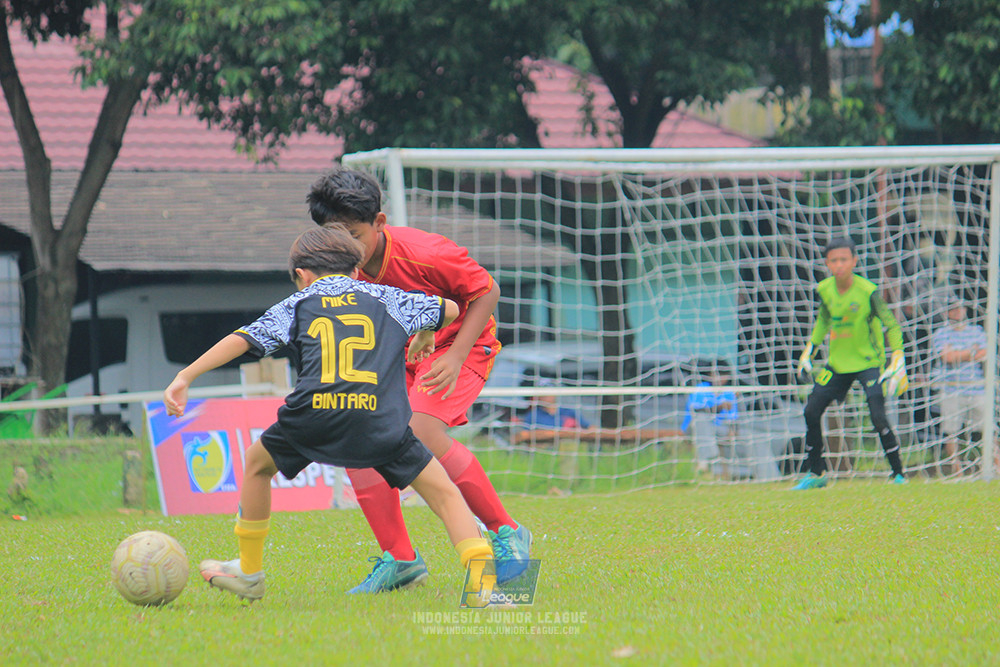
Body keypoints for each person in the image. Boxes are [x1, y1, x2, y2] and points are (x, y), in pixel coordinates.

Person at [162, 226, 494, 601]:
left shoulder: (298, 304)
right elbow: (450, 307)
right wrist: (426, 332)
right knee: (446, 496)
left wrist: (186, 375)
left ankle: (250, 572)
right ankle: (484, 588)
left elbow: (243, 339)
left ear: (302, 276)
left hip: (312, 418)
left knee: (257, 463)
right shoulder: (387, 297)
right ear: (355, 270)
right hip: (380, 421)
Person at [307, 166, 531, 591]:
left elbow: (487, 291)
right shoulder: (331, 269)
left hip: (460, 345)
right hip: (404, 352)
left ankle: (505, 532)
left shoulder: (425, 252)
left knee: (421, 431)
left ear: (379, 223)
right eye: (335, 239)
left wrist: (457, 352)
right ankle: (400, 558)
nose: (346, 249)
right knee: (358, 433)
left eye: (354, 236)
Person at [794, 236, 909, 489]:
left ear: (854, 261)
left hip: (868, 362)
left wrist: (898, 355)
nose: (839, 265)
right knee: (811, 411)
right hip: (836, 365)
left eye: (844, 259)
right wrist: (809, 352)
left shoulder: (868, 291)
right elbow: (823, 320)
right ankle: (817, 474)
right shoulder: (824, 289)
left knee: (877, 416)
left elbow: (891, 324)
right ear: (827, 263)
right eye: (834, 260)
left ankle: (898, 473)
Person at [931, 296, 989, 475]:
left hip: (976, 387)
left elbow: (984, 353)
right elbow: (947, 357)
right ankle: (957, 470)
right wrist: (971, 350)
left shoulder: (977, 330)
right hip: (951, 388)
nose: (958, 311)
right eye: (953, 309)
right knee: (951, 431)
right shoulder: (941, 333)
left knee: (988, 428)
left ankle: (994, 465)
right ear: (948, 312)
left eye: (960, 307)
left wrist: (959, 353)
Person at [680, 361, 740, 478]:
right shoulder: (701, 388)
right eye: (717, 374)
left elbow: (734, 418)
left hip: (717, 430)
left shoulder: (729, 392)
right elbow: (697, 411)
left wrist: (733, 430)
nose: (720, 378)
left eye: (724, 374)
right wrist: (720, 407)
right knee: (701, 420)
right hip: (692, 429)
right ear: (710, 375)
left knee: (750, 436)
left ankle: (771, 477)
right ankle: (708, 458)